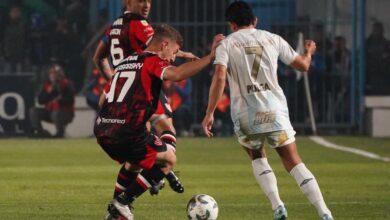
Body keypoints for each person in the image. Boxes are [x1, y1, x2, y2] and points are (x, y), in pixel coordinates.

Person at [201, 2, 333, 220]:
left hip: (246, 114)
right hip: (275, 110)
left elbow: (220, 77)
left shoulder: (227, 44)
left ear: (232, 25)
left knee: (257, 155)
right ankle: (324, 211)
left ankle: (277, 205)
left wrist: (210, 112)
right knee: (293, 160)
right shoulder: (272, 38)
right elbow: (303, 65)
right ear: (255, 21)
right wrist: (308, 52)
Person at [94, 24, 223, 220]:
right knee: (169, 160)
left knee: (135, 162)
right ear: (164, 44)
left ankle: (115, 213)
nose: (173, 58)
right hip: (127, 131)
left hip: (102, 129)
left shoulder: (126, 62)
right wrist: (211, 57)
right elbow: (177, 74)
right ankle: (122, 202)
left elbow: (102, 100)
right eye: (174, 52)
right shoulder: (152, 61)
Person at [93, 0, 197, 203]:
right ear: (127, 2)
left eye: (149, 0)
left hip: (123, 86)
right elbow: (158, 46)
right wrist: (184, 54)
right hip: (143, 82)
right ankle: (160, 171)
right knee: (167, 129)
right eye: (141, 0)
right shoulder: (139, 24)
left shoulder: (113, 27)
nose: (147, 5)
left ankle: (122, 205)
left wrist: (115, 83)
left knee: (136, 156)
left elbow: (98, 58)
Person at [29, 64, 75, 138]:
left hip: (65, 112)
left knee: (56, 113)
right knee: (33, 111)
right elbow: (40, 101)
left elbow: (70, 100)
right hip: (49, 111)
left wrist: (59, 100)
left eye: (55, 73)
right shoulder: (47, 85)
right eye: (51, 73)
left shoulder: (66, 84)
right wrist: (48, 93)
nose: (53, 76)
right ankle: (39, 132)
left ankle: (60, 133)